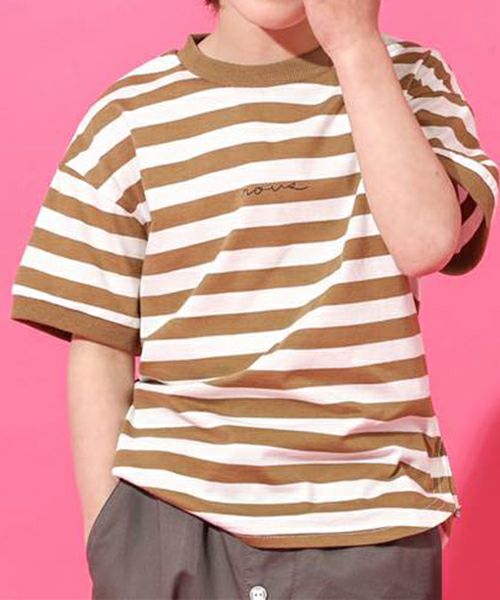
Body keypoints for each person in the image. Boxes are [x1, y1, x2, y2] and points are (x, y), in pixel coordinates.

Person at [10, 0, 498, 598]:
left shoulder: (411, 79)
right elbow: (99, 344)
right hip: (171, 518)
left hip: (370, 520)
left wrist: (355, 48)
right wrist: (110, 537)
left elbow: (426, 242)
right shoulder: (128, 116)